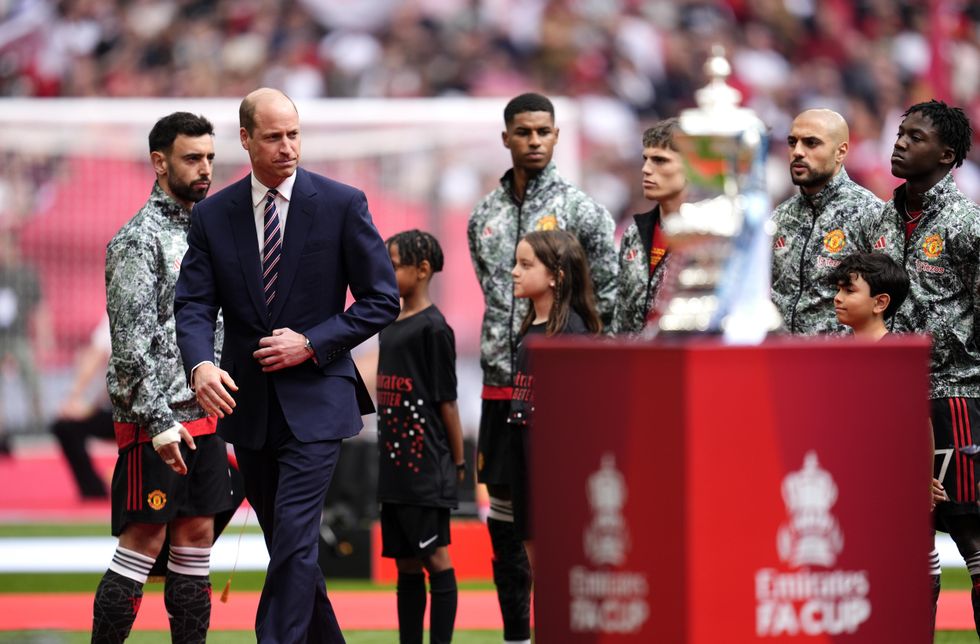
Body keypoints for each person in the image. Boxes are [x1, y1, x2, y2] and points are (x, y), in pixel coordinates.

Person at [174, 88, 399, 643]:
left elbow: (380, 300)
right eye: (273, 137)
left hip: (319, 399)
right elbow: (195, 303)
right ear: (246, 139)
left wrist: (312, 342)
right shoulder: (213, 214)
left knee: (296, 540)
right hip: (246, 404)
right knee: (288, 548)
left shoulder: (343, 203)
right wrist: (200, 363)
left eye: (293, 134)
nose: (287, 147)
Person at [467, 91, 617, 644]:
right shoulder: (483, 215)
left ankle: (570, 626)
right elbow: (492, 293)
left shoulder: (582, 210)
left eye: (544, 131)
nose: (534, 141)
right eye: (524, 131)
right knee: (503, 522)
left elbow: (611, 298)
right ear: (505, 137)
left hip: (558, 394)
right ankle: (515, 634)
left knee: (557, 519)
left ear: (556, 137)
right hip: (499, 386)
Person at [93, 111, 236, 644]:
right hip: (159, 426)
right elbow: (129, 348)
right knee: (141, 545)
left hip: (206, 420)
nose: (205, 170)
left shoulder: (209, 233)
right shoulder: (137, 241)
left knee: (197, 545)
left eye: (210, 159)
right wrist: (158, 423)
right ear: (159, 163)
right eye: (191, 159)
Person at [870, 99, 980, 636]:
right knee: (906, 546)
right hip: (891, 403)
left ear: (947, 155)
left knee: (972, 538)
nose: (900, 143)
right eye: (900, 133)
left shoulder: (968, 224)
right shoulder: (881, 219)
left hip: (954, 396)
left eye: (915, 137)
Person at [376, 229, 464, 644]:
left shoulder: (434, 328)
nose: (386, 271)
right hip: (394, 470)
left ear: (422, 270)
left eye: (394, 265)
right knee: (406, 563)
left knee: (435, 557)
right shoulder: (390, 323)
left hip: (425, 466)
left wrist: (458, 461)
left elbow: (447, 400)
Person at [508, 230, 601, 558]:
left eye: (525, 265)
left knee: (561, 567)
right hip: (527, 465)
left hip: (559, 473)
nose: (514, 272)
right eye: (516, 263)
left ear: (555, 276)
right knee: (538, 571)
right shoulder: (528, 329)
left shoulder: (573, 336)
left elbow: (585, 417)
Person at [770, 108, 885, 335]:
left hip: (839, 363)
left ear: (840, 152)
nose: (798, 152)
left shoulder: (871, 214)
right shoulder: (781, 216)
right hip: (780, 360)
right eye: (792, 143)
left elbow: (891, 305)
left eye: (811, 143)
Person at [612, 118, 685, 335]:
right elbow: (620, 317)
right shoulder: (634, 232)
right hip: (634, 363)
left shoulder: (710, 236)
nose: (645, 169)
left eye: (660, 161)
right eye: (645, 159)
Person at [51, 314, 114, 499]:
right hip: (116, 409)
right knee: (65, 425)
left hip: (154, 413)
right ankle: (93, 490)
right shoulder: (115, 311)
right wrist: (74, 399)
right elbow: (96, 355)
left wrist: (89, 407)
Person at [827, 252, 908, 340]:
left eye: (849, 290)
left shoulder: (896, 353)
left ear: (880, 303)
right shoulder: (840, 350)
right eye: (838, 290)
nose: (837, 298)